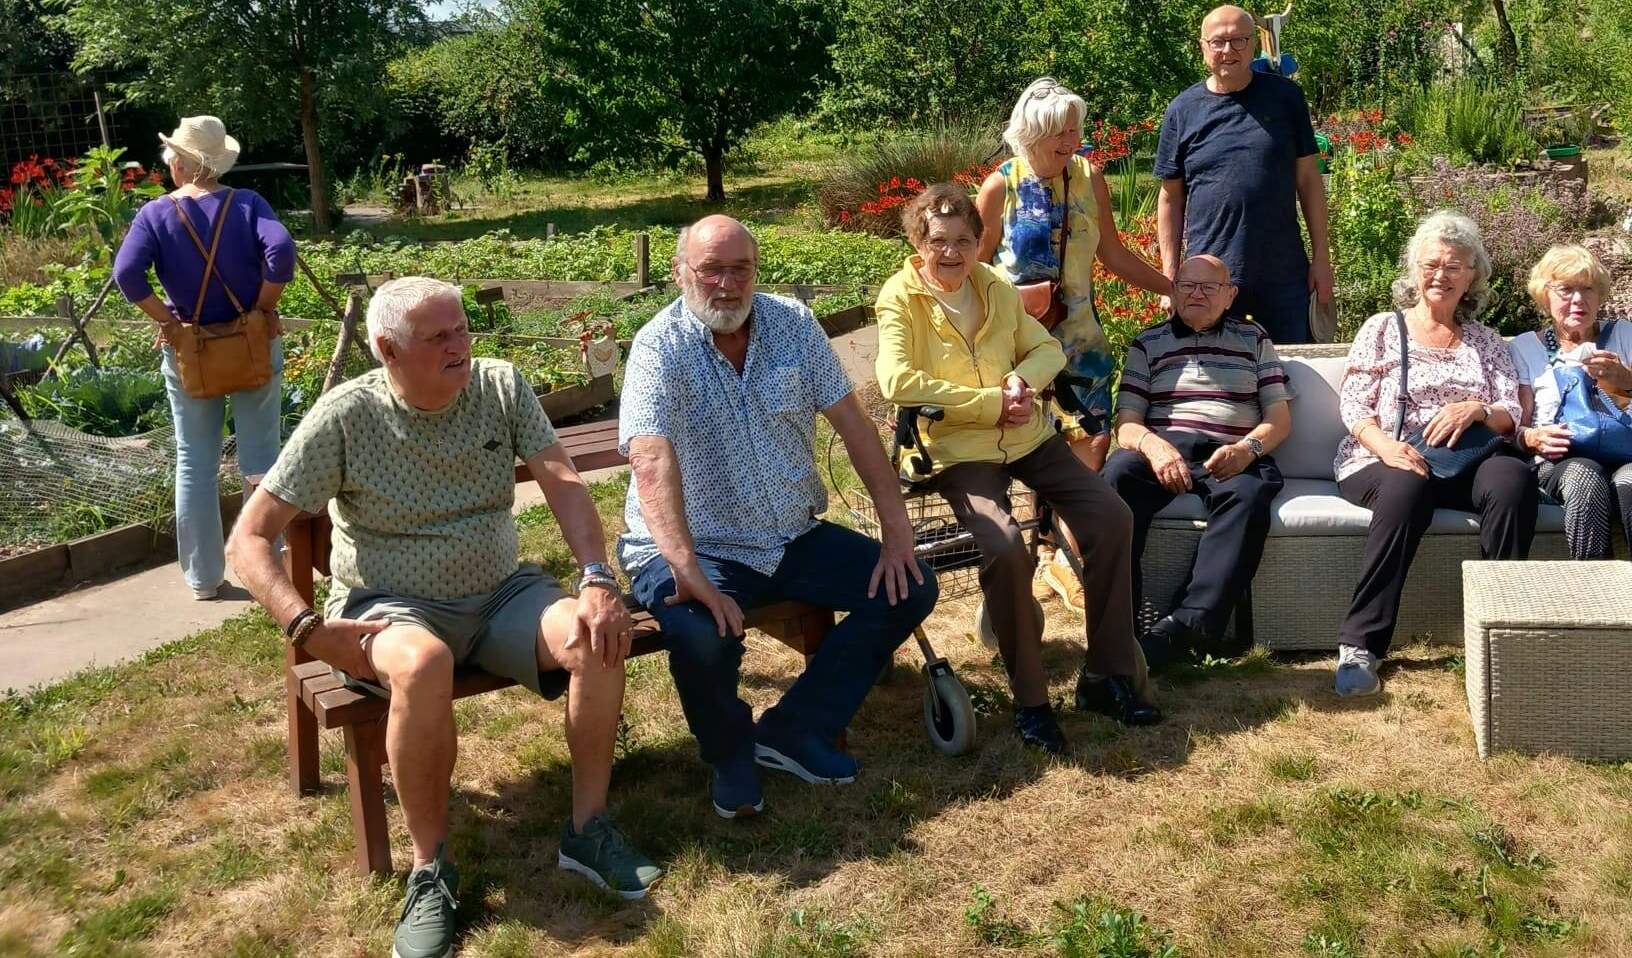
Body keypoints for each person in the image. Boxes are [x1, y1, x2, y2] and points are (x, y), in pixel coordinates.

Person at [227, 277, 659, 958]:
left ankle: (588, 827)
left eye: (462, 328)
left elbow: (563, 480)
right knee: (423, 664)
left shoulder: (499, 385)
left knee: (596, 632)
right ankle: (432, 870)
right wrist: (306, 627)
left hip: (499, 594)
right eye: (439, 337)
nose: (461, 346)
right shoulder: (346, 415)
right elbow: (247, 538)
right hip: (387, 608)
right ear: (386, 350)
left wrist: (598, 578)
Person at [619, 215, 935, 820]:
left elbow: (856, 429)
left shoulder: (792, 325)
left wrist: (897, 532)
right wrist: (686, 570)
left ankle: (796, 728)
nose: (727, 284)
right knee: (697, 633)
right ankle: (730, 753)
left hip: (791, 535)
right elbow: (649, 458)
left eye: (740, 269)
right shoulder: (658, 346)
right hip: (699, 543)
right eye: (711, 269)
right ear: (681, 273)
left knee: (908, 584)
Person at [875, 182, 1158, 752]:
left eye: (962, 240)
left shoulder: (995, 286)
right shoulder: (900, 296)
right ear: (918, 242)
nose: (951, 252)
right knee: (1003, 544)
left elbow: (1046, 348)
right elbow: (896, 381)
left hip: (1029, 437)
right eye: (938, 242)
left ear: (980, 242)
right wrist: (987, 404)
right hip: (959, 451)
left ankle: (1105, 676)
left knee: (1111, 517)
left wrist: (1021, 383)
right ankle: (1031, 703)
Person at [1330, 210, 1534, 698]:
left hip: (1468, 458)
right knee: (1406, 486)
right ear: (1414, 271)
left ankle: (1498, 631)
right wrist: (1387, 447)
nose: (1441, 275)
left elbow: (1510, 414)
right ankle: (1361, 644)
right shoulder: (1384, 328)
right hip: (1386, 453)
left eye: (1455, 266)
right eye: (1431, 264)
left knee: (1513, 481)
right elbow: (1354, 405)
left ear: (1473, 277)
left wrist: (1476, 408)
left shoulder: (1486, 341)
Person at [1512, 244, 1632, 700]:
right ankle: (1594, 627)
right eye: (1566, 291)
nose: (1577, 301)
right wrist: (1534, 438)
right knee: (1585, 480)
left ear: (1600, 297)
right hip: (1564, 460)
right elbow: (1517, 421)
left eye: (1588, 290)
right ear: (1545, 297)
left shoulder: (1624, 336)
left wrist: (1629, 379)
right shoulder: (1526, 347)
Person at [113, 115, 294, 599]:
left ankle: (203, 578)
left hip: (190, 350)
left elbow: (127, 273)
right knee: (260, 456)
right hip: (252, 342)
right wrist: (263, 308)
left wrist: (167, 322)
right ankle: (267, 569)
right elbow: (281, 251)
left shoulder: (154, 215)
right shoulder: (248, 204)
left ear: (180, 162)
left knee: (195, 460)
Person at [1102, 253, 1290, 670]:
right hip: (1164, 449)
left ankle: (1184, 628)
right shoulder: (1147, 343)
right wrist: (1154, 447)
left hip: (1231, 452)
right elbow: (1127, 425)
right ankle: (1117, 630)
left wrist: (1248, 450)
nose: (1197, 293)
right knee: (1116, 477)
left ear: (1230, 295)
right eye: (1187, 285)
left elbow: (1279, 420)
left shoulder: (1254, 339)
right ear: (1173, 291)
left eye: (1209, 286)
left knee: (1249, 495)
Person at [975, 76, 1171, 472]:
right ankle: (1043, 534)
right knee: (1032, 456)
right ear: (1032, 133)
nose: (1069, 140)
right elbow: (974, 269)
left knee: (1090, 452)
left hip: (1082, 344)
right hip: (1018, 345)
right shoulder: (1001, 186)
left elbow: (1113, 253)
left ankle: (1071, 535)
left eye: (1074, 130)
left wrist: (1172, 288)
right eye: (1058, 132)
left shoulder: (1089, 177)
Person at [1155, 4, 1332, 344]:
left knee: (1290, 373)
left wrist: (1322, 258)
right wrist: (1170, 277)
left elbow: (1309, 180)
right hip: (1209, 280)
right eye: (1218, 42)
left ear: (1253, 45)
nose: (1228, 51)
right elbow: (1170, 198)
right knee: (1217, 381)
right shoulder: (1182, 110)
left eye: (1239, 40)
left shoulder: (1286, 98)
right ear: (1203, 47)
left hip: (1285, 275)